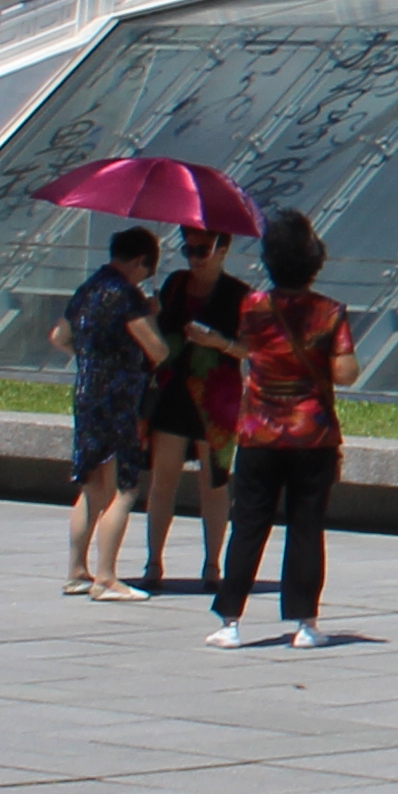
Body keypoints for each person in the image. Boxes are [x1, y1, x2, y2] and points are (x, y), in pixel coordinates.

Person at [206, 208, 358, 650]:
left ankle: (230, 621)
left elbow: (249, 350)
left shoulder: (251, 307)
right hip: (313, 436)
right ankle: (306, 624)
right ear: (314, 261)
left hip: (259, 434)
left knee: (249, 524)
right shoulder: (330, 312)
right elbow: (345, 373)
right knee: (306, 527)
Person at [45, 226, 167, 601]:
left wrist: (93, 358)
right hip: (120, 398)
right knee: (124, 489)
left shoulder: (88, 289)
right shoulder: (124, 295)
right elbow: (158, 350)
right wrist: (151, 316)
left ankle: (77, 572)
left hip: (86, 393)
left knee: (91, 485)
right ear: (138, 262)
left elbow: (59, 338)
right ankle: (107, 578)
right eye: (147, 270)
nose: (145, 277)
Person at [137, 222, 242, 595]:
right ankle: (153, 561)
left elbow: (252, 350)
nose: (194, 257)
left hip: (217, 398)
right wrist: (151, 315)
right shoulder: (176, 284)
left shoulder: (239, 294)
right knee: (163, 480)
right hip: (175, 390)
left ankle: (213, 565)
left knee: (213, 483)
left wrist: (219, 343)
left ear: (223, 250)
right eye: (189, 249)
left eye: (203, 249)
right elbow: (161, 336)